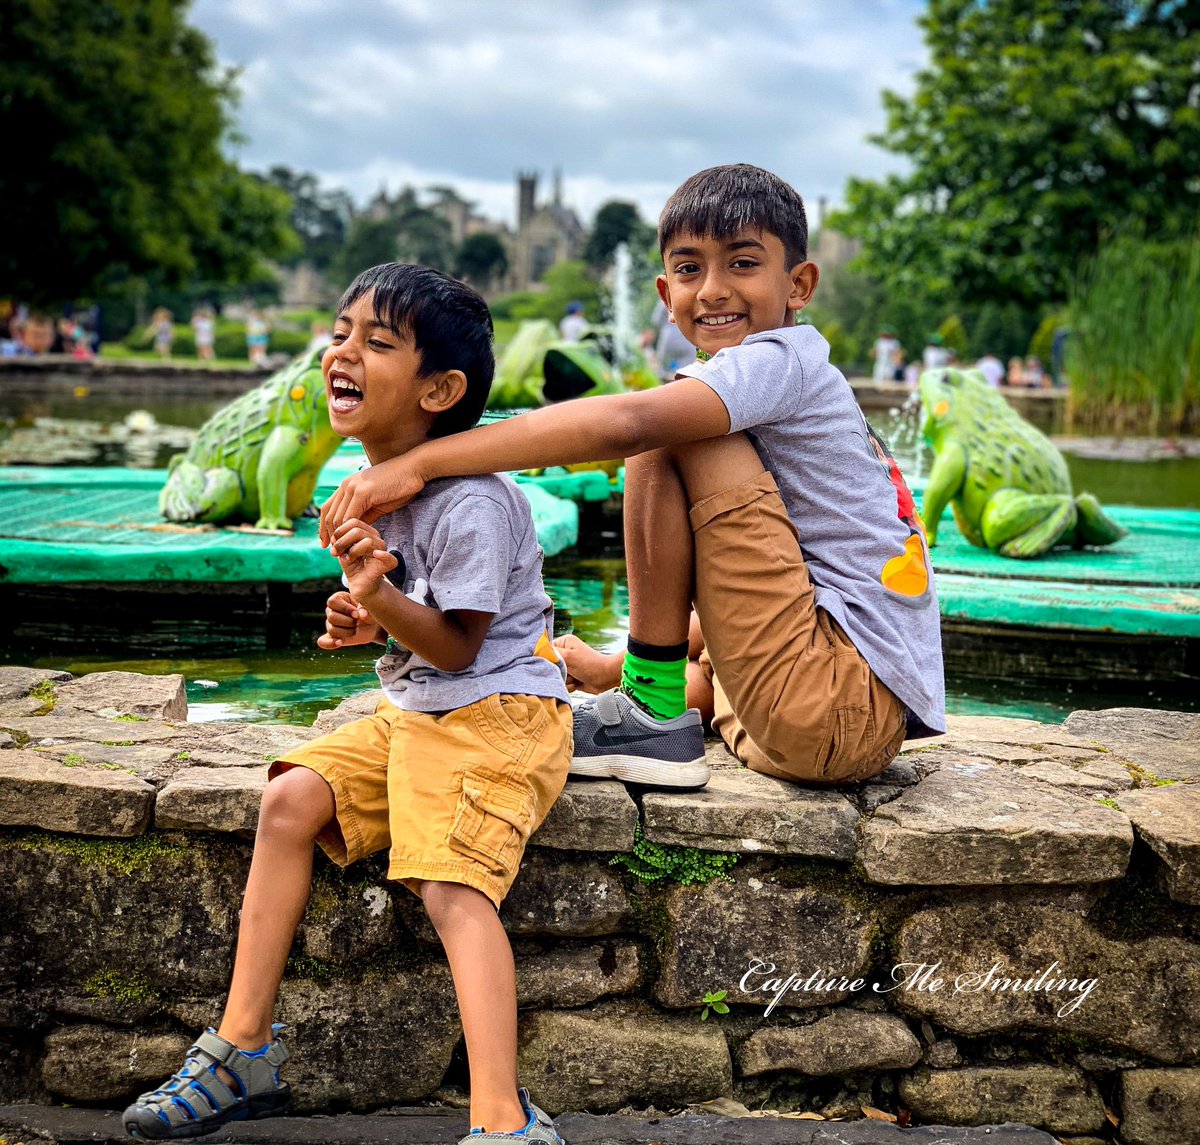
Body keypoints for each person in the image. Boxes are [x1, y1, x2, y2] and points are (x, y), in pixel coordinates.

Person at [123, 263, 572, 1145]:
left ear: (441, 389)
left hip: (499, 711)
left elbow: (458, 642)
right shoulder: (374, 486)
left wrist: (382, 596)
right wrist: (369, 616)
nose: (344, 351)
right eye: (341, 331)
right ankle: (242, 1047)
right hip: (426, 708)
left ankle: (503, 1118)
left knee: (450, 881)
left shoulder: (472, 501)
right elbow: (415, 631)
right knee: (289, 797)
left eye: (378, 341)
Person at [320, 164, 946, 793]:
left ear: (800, 283)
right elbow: (761, 585)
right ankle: (641, 685)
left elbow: (627, 424)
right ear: (664, 291)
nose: (713, 290)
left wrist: (419, 462)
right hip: (811, 716)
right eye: (690, 268)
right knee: (684, 446)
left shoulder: (780, 362)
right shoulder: (764, 386)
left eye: (744, 264)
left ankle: (650, 711)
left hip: (833, 704)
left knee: (665, 430)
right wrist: (612, 666)